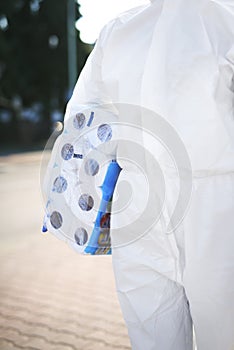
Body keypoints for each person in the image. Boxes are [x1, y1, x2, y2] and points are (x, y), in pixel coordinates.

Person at [63, 0, 234, 349]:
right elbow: (84, 118)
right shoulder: (119, 31)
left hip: (217, 203)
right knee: (153, 335)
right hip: (141, 208)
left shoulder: (225, 19)